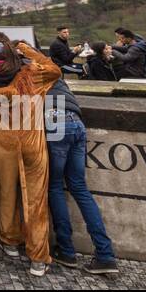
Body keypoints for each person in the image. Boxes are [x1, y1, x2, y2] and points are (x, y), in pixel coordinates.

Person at [0, 35, 61, 277]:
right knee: (35, 200)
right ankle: (38, 257)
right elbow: (55, 71)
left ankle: (10, 241)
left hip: (1, 143)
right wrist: (29, 51)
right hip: (31, 138)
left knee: (6, 192)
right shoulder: (31, 73)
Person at [45, 70, 118, 274]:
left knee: (55, 187)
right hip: (76, 122)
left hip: (55, 122)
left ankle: (67, 251)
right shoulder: (53, 72)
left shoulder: (28, 71)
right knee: (80, 188)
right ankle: (105, 254)